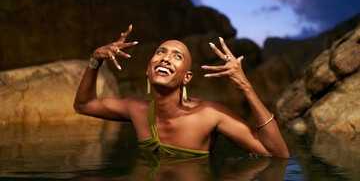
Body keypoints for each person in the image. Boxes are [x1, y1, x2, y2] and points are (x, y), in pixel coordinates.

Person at [74, 25, 289, 159]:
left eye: (177, 56)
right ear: (148, 71)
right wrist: (95, 59)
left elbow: (278, 155)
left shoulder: (209, 115)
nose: (166, 58)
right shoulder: (136, 110)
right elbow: (83, 105)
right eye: (160, 52)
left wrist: (246, 87)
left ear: (187, 78)